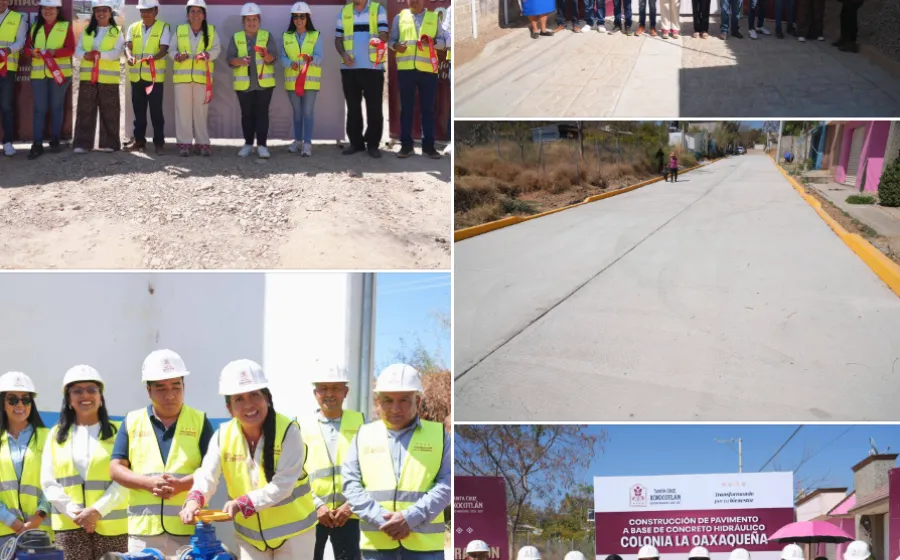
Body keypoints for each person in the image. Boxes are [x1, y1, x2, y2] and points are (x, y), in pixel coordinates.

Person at [180, 360, 317, 560]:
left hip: (294, 536)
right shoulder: (223, 435)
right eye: (239, 399)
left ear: (267, 398)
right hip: (250, 539)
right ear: (229, 408)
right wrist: (194, 500)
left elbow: (283, 485)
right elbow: (207, 475)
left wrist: (242, 504)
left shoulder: (288, 430)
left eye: (255, 395)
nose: (249, 405)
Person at [109, 350, 215, 558]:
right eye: (161, 388)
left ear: (184, 387)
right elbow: (116, 468)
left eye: (176, 386)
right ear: (148, 390)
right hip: (143, 532)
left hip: (188, 529)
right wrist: (148, 483)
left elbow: (214, 469)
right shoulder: (132, 421)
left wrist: (182, 485)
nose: (170, 395)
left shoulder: (199, 421)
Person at [342, 364, 450, 560]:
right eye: (388, 400)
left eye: (403, 401)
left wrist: (410, 518)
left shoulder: (440, 435)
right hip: (377, 546)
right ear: (378, 402)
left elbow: (448, 483)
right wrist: (382, 519)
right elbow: (350, 485)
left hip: (425, 548)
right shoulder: (363, 435)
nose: (395, 408)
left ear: (417, 400)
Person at [41, 366, 128, 560]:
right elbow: (48, 482)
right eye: (77, 391)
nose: (85, 395)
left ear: (100, 397)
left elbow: (127, 479)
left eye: (91, 389)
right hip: (70, 529)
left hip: (113, 529)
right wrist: (77, 514)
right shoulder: (55, 435)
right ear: (69, 400)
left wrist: (98, 510)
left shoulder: (120, 431)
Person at [299, 367, 365, 560]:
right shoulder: (300, 426)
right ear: (315, 393)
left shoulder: (362, 423)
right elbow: (295, 473)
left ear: (345, 392)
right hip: (312, 513)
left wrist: (351, 505)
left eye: (336, 388)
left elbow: (372, 470)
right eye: (323, 388)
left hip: (349, 515)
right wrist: (317, 506)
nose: (329, 393)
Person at [390, 0, 449, 159]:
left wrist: (433, 42)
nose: (413, 2)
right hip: (406, 70)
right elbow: (391, 41)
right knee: (406, 110)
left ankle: (429, 147)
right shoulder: (399, 17)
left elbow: (444, 42)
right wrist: (396, 46)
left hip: (428, 71)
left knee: (428, 110)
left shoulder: (433, 17)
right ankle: (406, 146)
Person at [0, 372, 52, 548]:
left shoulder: (49, 437)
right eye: (12, 399)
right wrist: (12, 521)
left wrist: (38, 517)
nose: (20, 404)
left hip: (41, 533)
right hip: (3, 534)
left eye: (26, 399)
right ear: (2, 403)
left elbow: (57, 481)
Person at [336, 0, 388, 158]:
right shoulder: (344, 11)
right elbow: (338, 39)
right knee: (352, 108)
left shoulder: (378, 9)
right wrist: (344, 55)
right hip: (349, 69)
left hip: (373, 68)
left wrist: (379, 39)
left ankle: (373, 145)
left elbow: (384, 34)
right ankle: (355, 143)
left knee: (374, 108)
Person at [25, 0, 75, 160]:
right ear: (41, 10)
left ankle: (55, 140)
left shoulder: (65, 27)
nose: (48, 11)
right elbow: (27, 49)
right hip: (39, 76)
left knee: (56, 108)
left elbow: (71, 49)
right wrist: (32, 53)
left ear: (57, 10)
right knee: (40, 109)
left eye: (51, 8)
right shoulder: (35, 28)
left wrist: (54, 53)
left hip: (60, 75)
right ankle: (37, 144)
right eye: (45, 8)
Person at [73, 0, 124, 154]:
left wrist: (100, 55)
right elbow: (77, 50)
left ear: (110, 12)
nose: (101, 13)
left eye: (104, 10)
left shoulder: (117, 32)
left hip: (108, 79)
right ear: (94, 14)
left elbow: (117, 52)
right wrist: (85, 55)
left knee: (110, 110)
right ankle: (82, 144)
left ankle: (110, 143)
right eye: (98, 10)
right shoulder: (87, 31)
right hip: (88, 78)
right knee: (85, 110)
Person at [228, 2, 276, 159]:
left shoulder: (266, 36)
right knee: (246, 115)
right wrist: (240, 61)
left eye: (254, 19)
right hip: (243, 85)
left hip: (264, 85)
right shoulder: (236, 37)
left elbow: (273, 58)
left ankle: (262, 146)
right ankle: (248, 144)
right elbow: (229, 59)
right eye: (248, 20)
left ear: (259, 20)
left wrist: (265, 55)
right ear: (243, 22)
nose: (251, 23)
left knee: (262, 114)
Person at [172, 0, 221, 157]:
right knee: (183, 112)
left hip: (202, 79)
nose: (195, 15)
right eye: (192, 11)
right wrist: (177, 56)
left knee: (201, 112)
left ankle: (203, 143)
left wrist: (207, 55)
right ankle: (184, 143)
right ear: (187, 15)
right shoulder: (180, 30)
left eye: (199, 11)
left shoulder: (211, 31)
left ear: (204, 15)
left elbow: (216, 49)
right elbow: (171, 49)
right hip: (182, 79)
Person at [124, 0, 170, 155]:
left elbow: (164, 49)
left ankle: (159, 143)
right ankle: (139, 141)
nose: (145, 14)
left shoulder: (163, 27)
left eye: (148, 10)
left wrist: (154, 58)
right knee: (139, 112)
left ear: (156, 11)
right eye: (142, 11)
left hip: (154, 78)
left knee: (156, 112)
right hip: (136, 77)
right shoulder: (132, 27)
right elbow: (127, 46)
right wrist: (129, 56)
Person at [282, 1, 322, 157]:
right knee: (297, 113)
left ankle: (307, 144)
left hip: (310, 82)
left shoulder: (316, 35)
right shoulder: (286, 36)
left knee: (308, 112)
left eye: (302, 16)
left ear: (308, 18)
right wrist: (289, 63)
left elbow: (320, 57)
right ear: (292, 19)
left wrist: (310, 58)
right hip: (292, 81)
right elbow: (282, 57)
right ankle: (297, 141)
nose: (299, 20)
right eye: (296, 17)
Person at [0, 0, 27, 157]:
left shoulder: (17, 18)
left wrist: (7, 50)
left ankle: (8, 142)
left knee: (6, 106)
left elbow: (21, 41)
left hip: (7, 69)